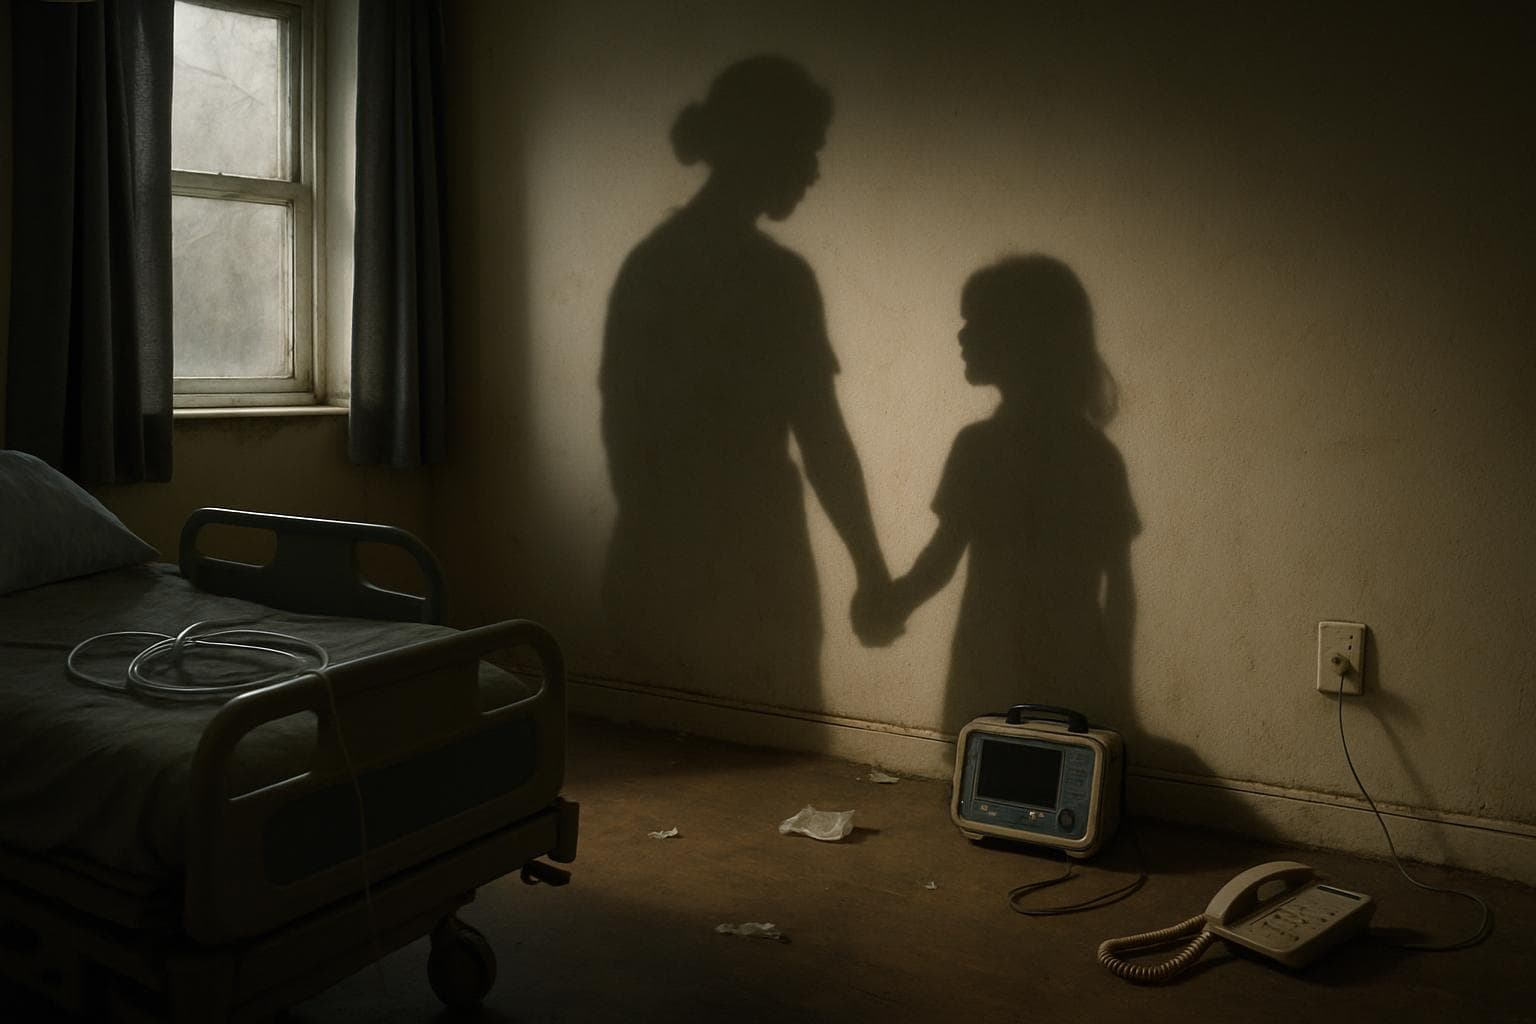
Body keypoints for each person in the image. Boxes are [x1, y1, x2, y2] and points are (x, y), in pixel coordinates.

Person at [600, 56, 892, 711]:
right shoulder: (777, 279)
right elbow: (821, 437)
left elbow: (621, 426)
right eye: (808, 149)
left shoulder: (651, 265)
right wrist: (871, 568)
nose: (816, 171)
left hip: (667, 546)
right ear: (766, 146)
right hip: (748, 551)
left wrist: (657, 545)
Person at [865, 256, 1139, 731]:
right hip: (1076, 664)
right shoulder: (1096, 454)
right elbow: (1121, 593)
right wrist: (1118, 690)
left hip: (990, 661)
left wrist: (891, 605)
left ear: (1021, 337)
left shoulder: (980, 447)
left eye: (976, 321)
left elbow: (941, 559)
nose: (962, 335)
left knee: (984, 784)